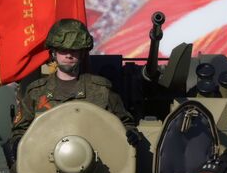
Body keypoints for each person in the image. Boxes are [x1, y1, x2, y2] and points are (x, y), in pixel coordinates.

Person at [9, 18, 135, 151]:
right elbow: (20, 131)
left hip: (96, 164)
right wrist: (18, 142)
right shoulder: (36, 92)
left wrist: (130, 133)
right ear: (53, 53)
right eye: (63, 50)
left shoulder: (101, 90)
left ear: (82, 53)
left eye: (74, 50)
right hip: (46, 164)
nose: (69, 55)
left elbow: (125, 123)